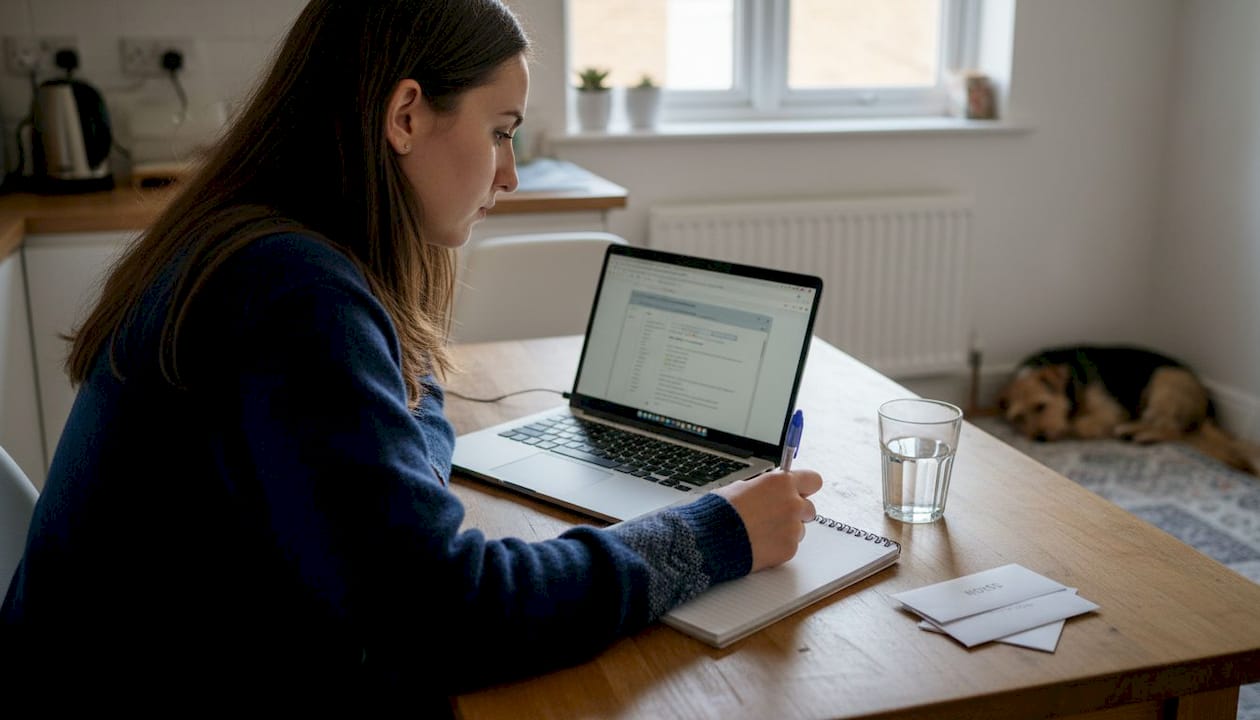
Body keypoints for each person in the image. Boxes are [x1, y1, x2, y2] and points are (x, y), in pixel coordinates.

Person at [0, 0, 822, 709]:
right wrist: (716, 533)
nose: (508, 175)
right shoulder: (294, 293)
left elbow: (409, 445)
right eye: (499, 132)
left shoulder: (258, 242)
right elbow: (445, 617)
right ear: (405, 115)